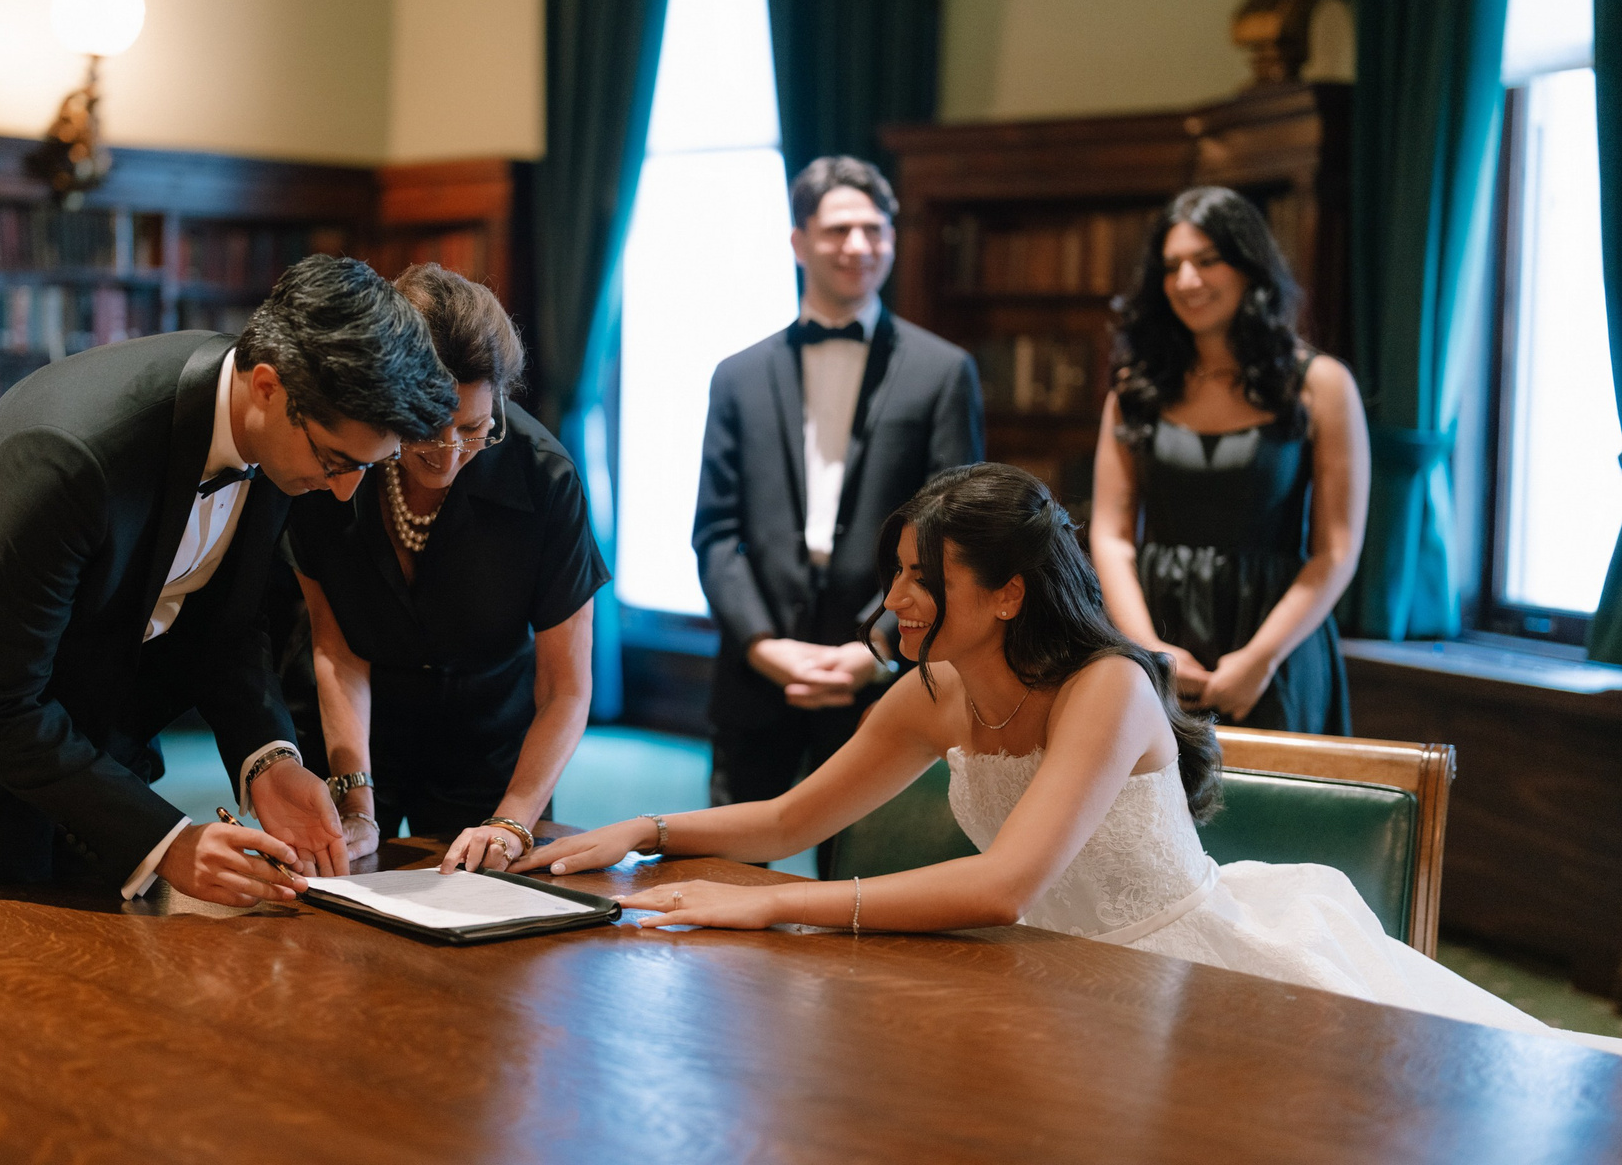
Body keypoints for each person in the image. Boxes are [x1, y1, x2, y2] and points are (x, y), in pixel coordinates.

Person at [520, 464, 1622, 1054]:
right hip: (1046, 988)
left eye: (923, 579)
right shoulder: (934, 692)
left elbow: (1004, 886)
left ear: (1007, 594)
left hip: (1195, 981)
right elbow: (787, 820)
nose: (897, 599)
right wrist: (642, 831)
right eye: (898, 572)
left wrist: (772, 908)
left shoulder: (1107, 687)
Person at [0, 256, 458, 909]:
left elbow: (227, 624)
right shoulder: (72, 454)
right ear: (266, 387)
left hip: (89, 719)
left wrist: (270, 761)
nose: (344, 492)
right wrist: (168, 843)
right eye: (337, 461)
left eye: (368, 467)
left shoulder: (281, 440)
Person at [283, 264, 608, 875]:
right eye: (426, 426)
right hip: (351, 736)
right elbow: (336, 649)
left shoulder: (545, 479)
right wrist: (357, 804)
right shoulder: (337, 460)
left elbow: (566, 689)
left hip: (493, 746)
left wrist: (512, 820)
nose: (450, 452)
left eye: (474, 428)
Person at [694, 155, 983, 815]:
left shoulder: (943, 372)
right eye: (838, 231)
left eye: (874, 230)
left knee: (864, 867)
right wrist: (763, 645)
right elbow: (716, 532)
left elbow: (951, 533)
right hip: (756, 673)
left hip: (887, 670)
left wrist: (875, 645)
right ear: (799, 243)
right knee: (729, 856)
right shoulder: (736, 376)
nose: (859, 246)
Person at [1089, 186, 1368, 732]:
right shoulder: (1134, 390)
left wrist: (1261, 658)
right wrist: (1147, 649)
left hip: (1278, 642)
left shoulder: (1321, 384)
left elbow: (1336, 550)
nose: (1187, 281)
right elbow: (1111, 536)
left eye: (1207, 260)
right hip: (1156, 634)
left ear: (1249, 267)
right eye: (1172, 267)